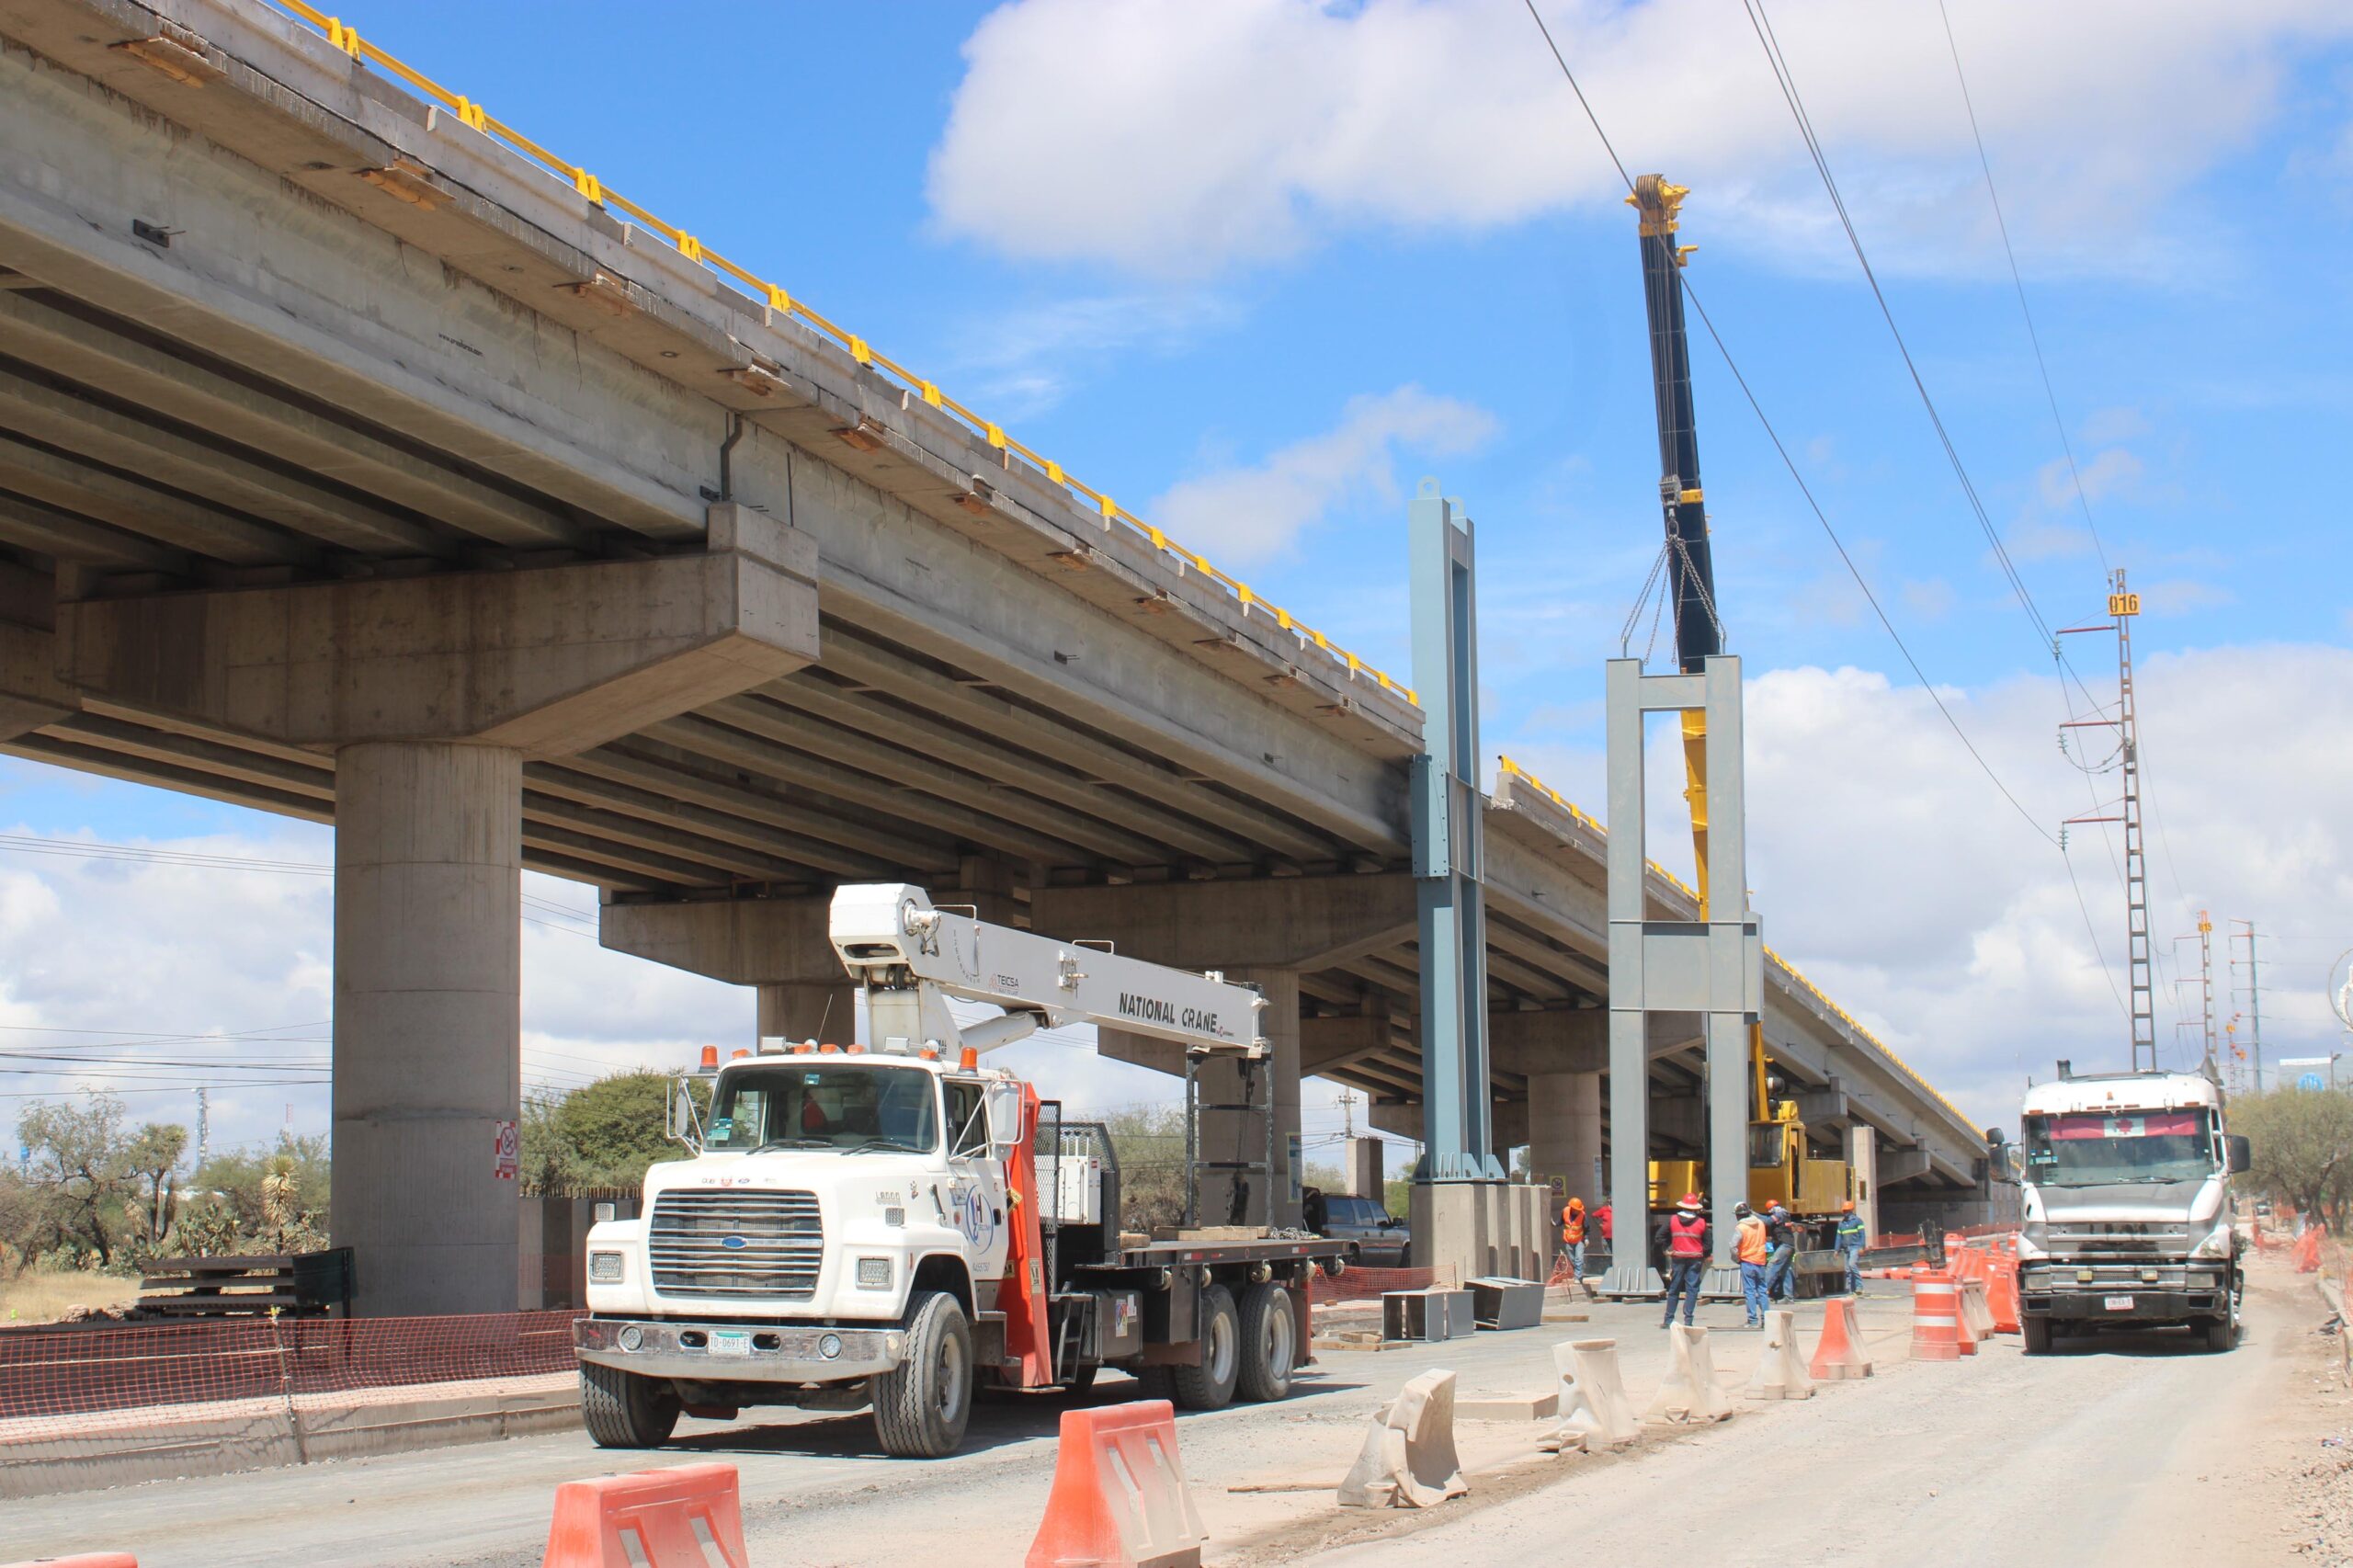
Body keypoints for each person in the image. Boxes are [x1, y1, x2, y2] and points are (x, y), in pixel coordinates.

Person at [1653, 1193, 1710, 1329]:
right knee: (1692, 1289)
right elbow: (1709, 1244)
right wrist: (1702, 1254)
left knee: (1674, 1288)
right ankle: (1688, 1320)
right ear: (1695, 1208)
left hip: (1678, 1258)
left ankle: (1668, 1320)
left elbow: (1659, 1237)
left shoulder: (1673, 1220)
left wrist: (1667, 1249)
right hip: (1695, 1259)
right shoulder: (1701, 1223)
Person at [1733, 1201, 1771, 1326]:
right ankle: (1767, 1320)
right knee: (1762, 1291)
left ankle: (1753, 1320)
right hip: (1760, 1261)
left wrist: (1736, 1258)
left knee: (1750, 1292)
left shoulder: (1741, 1227)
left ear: (1738, 1215)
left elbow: (1733, 1245)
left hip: (1747, 1261)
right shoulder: (1760, 1224)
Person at [1763, 1199, 1798, 1301]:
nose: (1770, 1212)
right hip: (1787, 1245)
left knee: (1772, 1266)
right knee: (1785, 1270)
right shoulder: (1783, 1213)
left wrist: (1753, 1214)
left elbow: (1767, 1221)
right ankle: (1788, 1297)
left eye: (1770, 1209)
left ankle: (1762, 1293)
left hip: (1785, 1245)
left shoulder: (1780, 1213)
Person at [1834, 1199, 1869, 1294]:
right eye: (1843, 1211)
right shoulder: (1842, 1224)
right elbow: (1839, 1238)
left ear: (1850, 1211)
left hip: (1855, 1247)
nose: (1844, 1212)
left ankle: (1859, 1287)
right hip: (1846, 1249)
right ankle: (1852, 1289)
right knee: (1847, 1270)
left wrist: (1862, 1247)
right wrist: (1836, 1250)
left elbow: (1862, 1235)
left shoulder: (1857, 1221)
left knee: (1852, 1265)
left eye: (1846, 1211)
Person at [1560, 1197, 1593, 1298]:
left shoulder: (1582, 1215)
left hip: (1579, 1240)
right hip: (1569, 1240)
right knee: (1573, 1260)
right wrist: (1554, 1223)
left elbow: (1587, 1228)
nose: (1578, 1211)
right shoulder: (1565, 1211)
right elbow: (1560, 1221)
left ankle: (1577, 1277)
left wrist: (1586, 1238)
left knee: (1579, 1258)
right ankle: (1578, 1275)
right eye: (1576, 1209)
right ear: (1572, 1208)